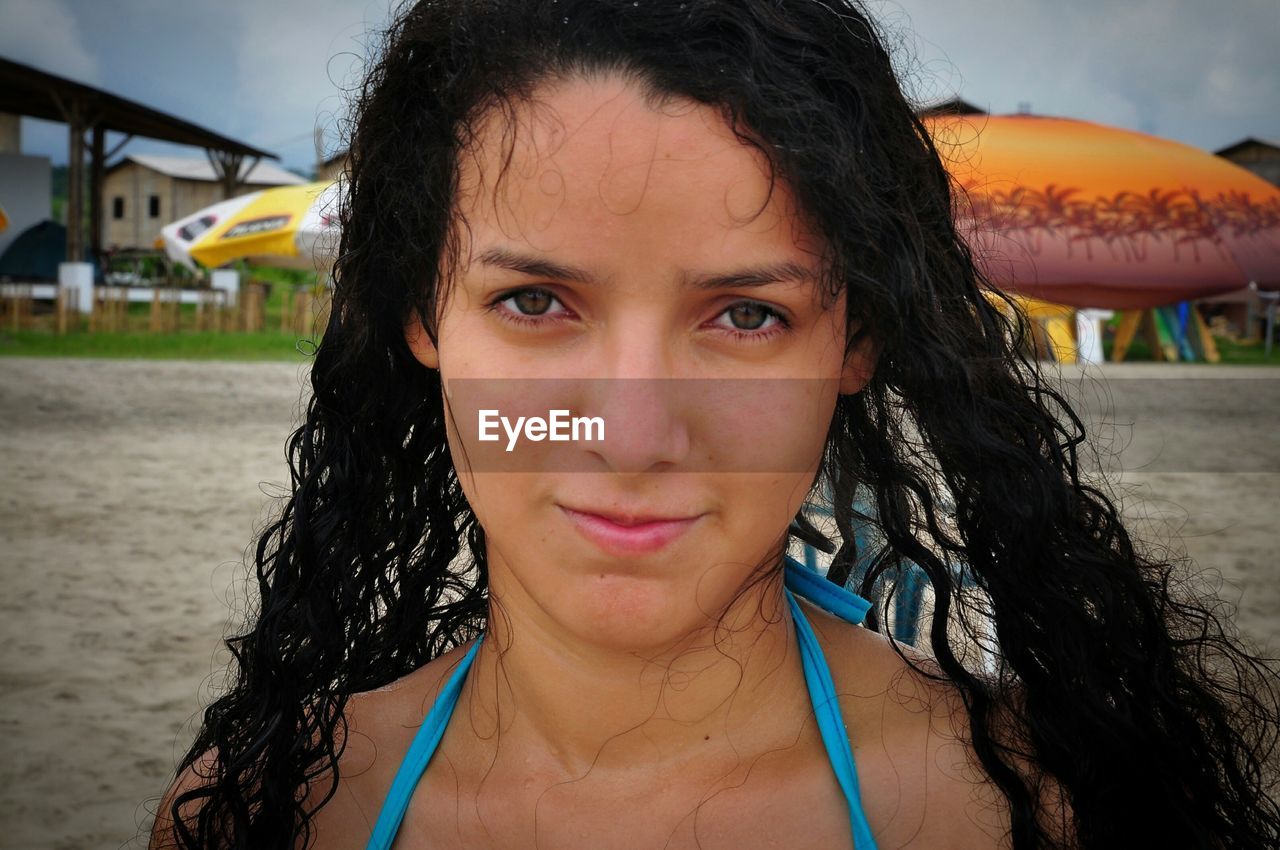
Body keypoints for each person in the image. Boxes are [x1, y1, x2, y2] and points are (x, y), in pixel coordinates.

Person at [149, 1, 1280, 848]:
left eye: (746, 314)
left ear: (853, 342)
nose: (635, 435)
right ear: (420, 316)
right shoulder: (267, 811)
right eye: (534, 302)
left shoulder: (1028, 805)